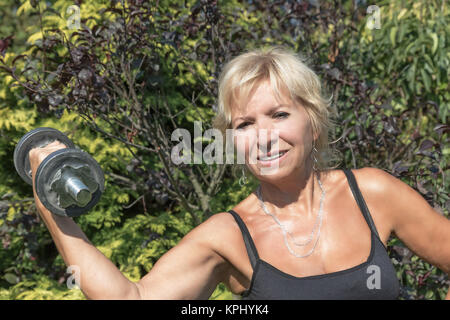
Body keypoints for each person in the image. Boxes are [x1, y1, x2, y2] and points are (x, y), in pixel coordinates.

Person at [28, 47, 450, 300]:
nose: (263, 136)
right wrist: (48, 197)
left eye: (279, 114)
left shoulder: (373, 193)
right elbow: (129, 296)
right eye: (244, 124)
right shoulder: (227, 235)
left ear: (313, 122)